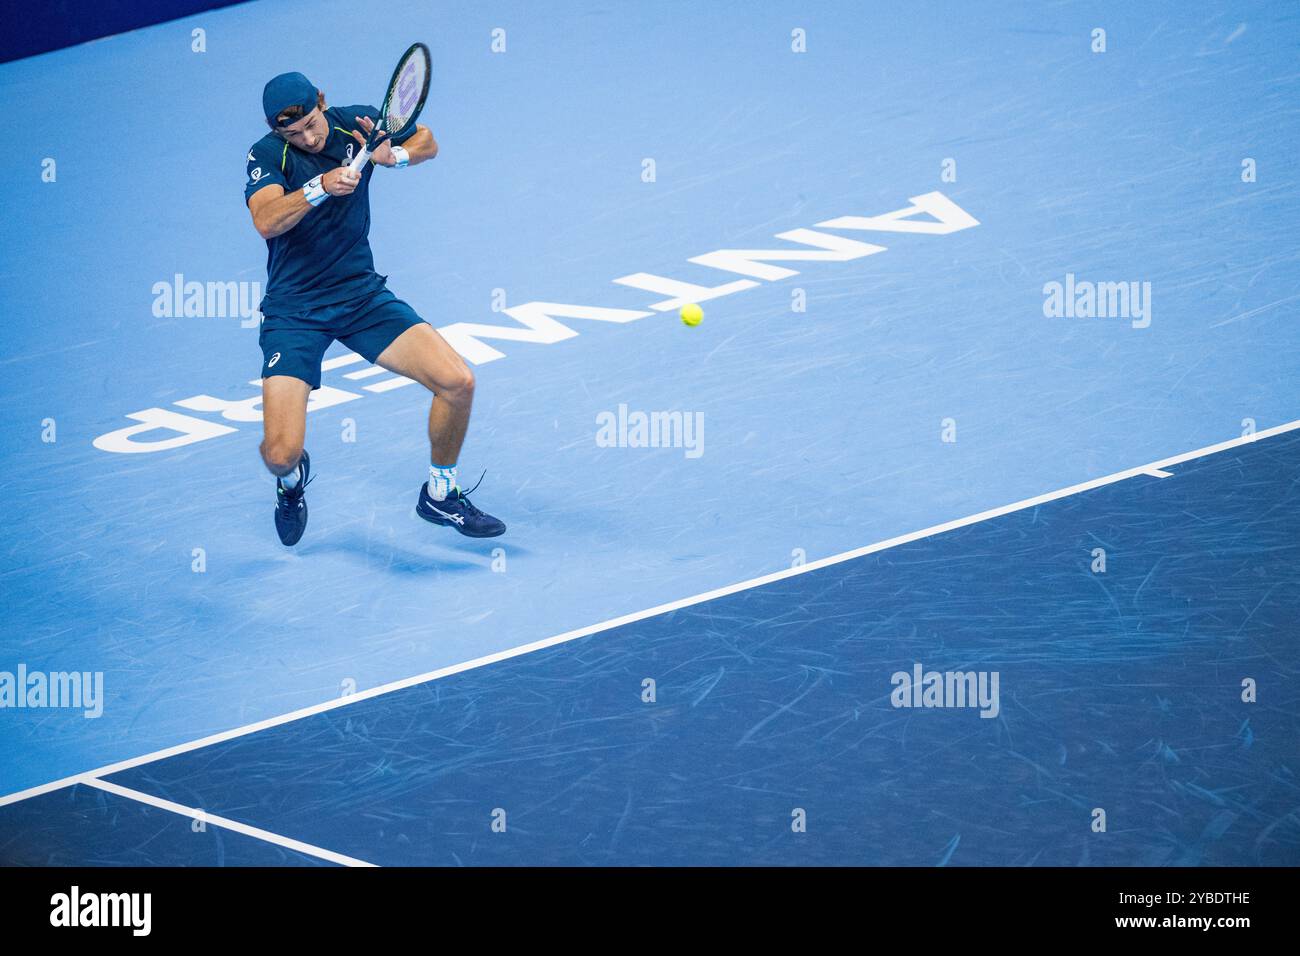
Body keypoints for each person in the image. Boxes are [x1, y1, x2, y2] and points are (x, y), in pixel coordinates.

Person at [243, 71, 504, 546]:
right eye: (292, 134)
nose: (306, 137)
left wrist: (394, 156)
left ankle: (440, 493)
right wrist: (319, 186)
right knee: (281, 453)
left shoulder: (355, 124)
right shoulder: (267, 154)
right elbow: (266, 219)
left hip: (361, 296)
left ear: (322, 101)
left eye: (310, 124)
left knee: (458, 382)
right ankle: (291, 482)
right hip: (294, 313)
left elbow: (427, 141)